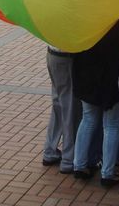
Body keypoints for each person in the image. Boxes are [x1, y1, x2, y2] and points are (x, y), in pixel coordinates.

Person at [72, 22, 119, 186]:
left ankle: (79, 165)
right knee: (111, 126)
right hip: (112, 81)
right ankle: (107, 174)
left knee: (88, 119)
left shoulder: (83, 18)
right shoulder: (116, 16)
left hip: (87, 80)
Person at [42, 44, 80, 174]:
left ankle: (50, 151)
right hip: (67, 56)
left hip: (52, 54)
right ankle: (68, 159)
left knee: (58, 105)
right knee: (69, 108)